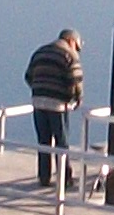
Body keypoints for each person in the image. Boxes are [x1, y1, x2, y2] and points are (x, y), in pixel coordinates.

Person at [24, 28, 85, 187]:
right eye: (77, 47)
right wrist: (76, 98)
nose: (76, 50)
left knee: (43, 142)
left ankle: (44, 178)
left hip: (38, 102)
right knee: (61, 143)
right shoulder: (69, 55)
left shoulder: (40, 52)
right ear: (71, 41)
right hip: (57, 105)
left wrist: (39, 90)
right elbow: (75, 80)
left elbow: (28, 76)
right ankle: (65, 178)